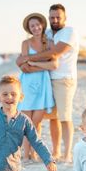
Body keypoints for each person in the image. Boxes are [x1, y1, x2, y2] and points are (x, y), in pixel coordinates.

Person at [17, 4, 79, 162]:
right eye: (52, 17)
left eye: (58, 17)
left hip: (64, 79)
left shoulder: (69, 32)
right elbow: (23, 59)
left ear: (65, 17)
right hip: (47, 80)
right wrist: (21, 61)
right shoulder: (48, 33)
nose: (55, 19)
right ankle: (56, 152)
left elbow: (54, 54)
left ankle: (66, 155)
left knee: (65, 117)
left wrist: (29, 60)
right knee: (53, 118)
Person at [18, 12, 58, 162]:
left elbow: (53, 64)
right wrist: (41, 65)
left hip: (43, 84)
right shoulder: (25, 43)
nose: (35, 28)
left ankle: (33, 153)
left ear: (42, 24)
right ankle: (26, 154)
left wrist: (35, 63)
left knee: (37, 122)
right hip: (27, 84)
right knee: (27, 122)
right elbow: (24, 66)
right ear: (29, 28)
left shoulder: (49, 43)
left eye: (37, 24)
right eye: (32, 26)